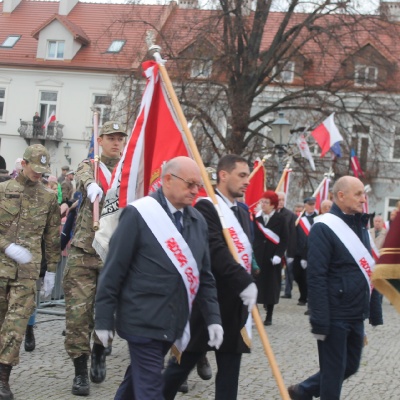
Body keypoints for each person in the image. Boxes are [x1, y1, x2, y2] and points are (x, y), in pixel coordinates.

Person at [94, 156, 222, 399]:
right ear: (167, 180)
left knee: (135, 383)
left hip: (173, 320)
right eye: (190, 184)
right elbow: (114, 269)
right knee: (151, 388)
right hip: (142, 318)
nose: (195, 191)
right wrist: (103, 318)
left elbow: (204, 276)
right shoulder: (139, 214)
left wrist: (213, 317)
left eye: (198, 185)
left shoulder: (198, 222)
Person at [163, 154, 258, 400]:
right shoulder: (206, 207)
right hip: (209, 305)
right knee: (179, 368)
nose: (247, 181)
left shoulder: (242, 212)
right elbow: (215, 251)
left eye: (248, 175)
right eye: (242, 175)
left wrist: (250, 277)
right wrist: (244, 280)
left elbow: (243, 255)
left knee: (229, 377)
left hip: (235, 306)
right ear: (223, 175)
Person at [288, 176, 383, 400]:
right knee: (333, 374)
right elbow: (317, 276)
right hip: (334, 313)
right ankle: (306, 391)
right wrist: (320, 318)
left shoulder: (360, 224)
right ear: (341, 196)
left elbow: (367, 269)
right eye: (358, 194)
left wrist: (373, 308)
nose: (364, 198)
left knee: (350, 366)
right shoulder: (324, 227)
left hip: (355, 312)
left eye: (363, 193)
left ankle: (304, 390)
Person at [63, 121, 128, 396]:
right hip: (84, 252)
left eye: (119, 139)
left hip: (115, 254)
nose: (115, 143)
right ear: (100, 140)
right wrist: (90, 186)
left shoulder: (129, 170)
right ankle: (80, 371)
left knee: (107, 312)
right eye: (110, 138)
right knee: (78, 315)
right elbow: (82, 175)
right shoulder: (90, 164)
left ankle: (99, 350)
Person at [0, 144, 60, 398]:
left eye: (42, 171)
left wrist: (52, 271)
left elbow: (52, 237)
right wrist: (6, 247)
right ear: (23, 164)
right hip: (1, 268)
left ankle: (3, 378)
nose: (38, 174)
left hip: (27, 273)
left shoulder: (48, 198)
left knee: (15, 327)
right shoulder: (2, 191)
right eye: (34, 169)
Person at [253, 191, 288, 325]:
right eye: (262, 201)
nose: (263, 204)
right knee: (255, 284)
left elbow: (285, 239)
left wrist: (279, 255)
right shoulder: (255, 217)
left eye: (266, 202)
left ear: (273, 205)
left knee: (270, 286)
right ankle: (254, 315)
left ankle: (269, 314)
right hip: (257, 256)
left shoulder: (281, 219)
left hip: (272, 258)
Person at [293, 197, 318, 306]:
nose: (312, 206)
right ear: (305, 205)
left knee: (308, 277)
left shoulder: (318, 218)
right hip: (298, 251)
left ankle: (305, 297)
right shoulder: (299, 218)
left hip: (312, 251)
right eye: (310, 204)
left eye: (313, 204)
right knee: (297, 275)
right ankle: (303, 294)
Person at [276, 192, 297, 300]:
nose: (281, 202)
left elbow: (293, 234)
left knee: (289, 271)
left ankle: (288, 291)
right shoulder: (271, 212)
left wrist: (291, 252)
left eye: (282, 200)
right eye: (279, 199)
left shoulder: (290, 215)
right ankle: (275, 289)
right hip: (274, 246)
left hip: (286, 246)